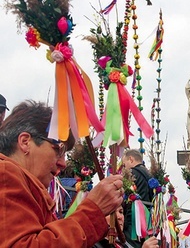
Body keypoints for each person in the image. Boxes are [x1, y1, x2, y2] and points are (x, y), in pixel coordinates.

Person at [0, 100, 124, 247]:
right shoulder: (5, 174)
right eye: (58, 149)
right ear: (25, 142)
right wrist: (92, 211)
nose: (63, 163)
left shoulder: (25, 185)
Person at [122, 149, 154, 247]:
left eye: (124, 164)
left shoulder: (132, 174)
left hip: (133, 221)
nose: (124, 168)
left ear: (131, 159)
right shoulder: (150, 176)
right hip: (149, 221)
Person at [93, 205, 159, 248]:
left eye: (121, 212)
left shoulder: (122, 244)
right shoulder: (93, 245)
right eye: (112, 213)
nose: (119, 217)